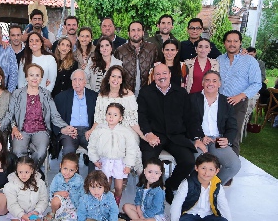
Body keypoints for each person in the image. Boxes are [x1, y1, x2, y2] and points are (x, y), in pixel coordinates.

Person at [137, 63, 196, 204]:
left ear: (169, 75)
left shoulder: (181, 92)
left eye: (164, 73)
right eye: (157, 74)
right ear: (153, 77)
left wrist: (196, 137)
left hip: (176, 136)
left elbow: (190, 117)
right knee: (148, 160)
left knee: (188, 161)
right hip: (155, 136)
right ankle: (151, 188)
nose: (161, 77)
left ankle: (170, 185)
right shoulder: (145, 92)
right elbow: (141, 116)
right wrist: (148, 133)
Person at [0, 64, 76, 171]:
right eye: (31, 75)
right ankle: (23, 173)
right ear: (26, 77)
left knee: (40, 153)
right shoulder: (17, 93)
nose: (34, 78)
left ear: (41, 78)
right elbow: (10, 114)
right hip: (22, 130)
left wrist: (65, 127)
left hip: (41, 130)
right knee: (17, 152)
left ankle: (32, 172)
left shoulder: (46, 94)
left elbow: (54, 115)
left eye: (37, 75)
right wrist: (11, 127)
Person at [86, 66, 144, 170]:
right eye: (113, 76)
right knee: (98, 140)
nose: (115, 80)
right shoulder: (102, 95)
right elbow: (99, 118)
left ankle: (123, 178)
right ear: (108, 78)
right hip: (105, 127)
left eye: (119, 77)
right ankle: (102, 177)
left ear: (122, 80)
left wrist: (143, 136)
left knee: (129, 143)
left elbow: (132, 120)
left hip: (126, 128)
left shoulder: (128, 94)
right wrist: (91, 130)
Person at [188, 70, 241, 186]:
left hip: (218, 140)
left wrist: (227, 139)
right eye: (207, 80)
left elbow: (232, 126)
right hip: (199, 139)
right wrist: (199, 137)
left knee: (234, 165)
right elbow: (188, 122)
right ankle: (196, 189)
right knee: (197, 162)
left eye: (214, 81)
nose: (210, 83)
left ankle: (213, 187)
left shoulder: (226, 102)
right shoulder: (192, 99)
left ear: (219, 84)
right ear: (202, 82)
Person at [217, 30, 262, 156]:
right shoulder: (219, 59)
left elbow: (257, 83)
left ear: (240, 43)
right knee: (218, 136)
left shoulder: (250, 61)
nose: (232, 44)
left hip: (238, 103)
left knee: (233, 137)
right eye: (229, 41)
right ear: (224, 43)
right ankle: (216, 169)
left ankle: (230, 171)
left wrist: (240, 96)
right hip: (220, 103)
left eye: (235, 41)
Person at [88, 103, 140, 206]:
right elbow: (92, 146)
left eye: (115, 115)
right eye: (109, 114)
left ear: (120, 118)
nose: (111, 117)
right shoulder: (99, 130)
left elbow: (131, 149)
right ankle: (104, 205)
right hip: (104, 161)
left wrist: (129, 165)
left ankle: (115, 205)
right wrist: (95, 159)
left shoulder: (125, 132)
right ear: (106, 115)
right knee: (105, 184)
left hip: (119, 162)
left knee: (119, 187)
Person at [170, 153, 231, 221]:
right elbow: (176, 204)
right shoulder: (187, 183)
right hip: (190, 215)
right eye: (203, 168)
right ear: (196, 168)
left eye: (211, 169)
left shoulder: (217, 185)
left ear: (216, 171)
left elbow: (224, 206)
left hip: (209, 216)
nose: (206, 172)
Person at [53, 70, 98, 157]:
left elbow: (99, 118)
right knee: (68, 149)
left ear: (85, 82)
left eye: (80, 79)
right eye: (74, 79)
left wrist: (92, 130)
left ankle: (93, 171)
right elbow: (54, 118)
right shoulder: (61, 97)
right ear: (71, 81)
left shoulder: (94, 97)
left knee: (96, 149)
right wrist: (63, 129)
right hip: (69, 130)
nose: (77, 83)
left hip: (88, 131)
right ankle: (69, 171)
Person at [115, 21, 158, 97]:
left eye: (139, 30)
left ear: (143, 32)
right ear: (128, 33)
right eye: (133, 30)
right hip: (126, 95)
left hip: (148, 95)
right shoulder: (120, 51)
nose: (136, 33)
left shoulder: (152, 49)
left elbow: (157, 71)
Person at [121, 157, 168, 221]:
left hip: (155, 215)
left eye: (156, 173)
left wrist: (144, 216)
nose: (152, 175)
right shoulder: (142, 185)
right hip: (143, 210)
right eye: (150, 172)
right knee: (126, 207)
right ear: (145, 171)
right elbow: (138, 200)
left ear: (160, 174)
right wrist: (139, 211)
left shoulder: (159, 190)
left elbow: (156, 209)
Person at [4, 156, 48, 221]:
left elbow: (43, 199)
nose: (23, 175)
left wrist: (37, 211)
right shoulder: (10, 185)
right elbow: (12, 204)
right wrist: (22, 215)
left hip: (34, 211)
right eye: (20, 172)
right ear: (16, 171)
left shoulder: (40, 183)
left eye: (26, 172)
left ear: (32, 171)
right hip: (17, 212)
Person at [44, 153, 84, 221]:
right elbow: (52, 192)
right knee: (55, 200)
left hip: (73, 205)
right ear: (60, 166)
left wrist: (81, 209)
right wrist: (59, 193)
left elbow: (83, 194)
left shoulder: (79, 179)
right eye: (65, 168)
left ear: (76, 169)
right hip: (60, 203)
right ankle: (53, 212)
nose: (67, 172)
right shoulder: (57, 178)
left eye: (71, 170)